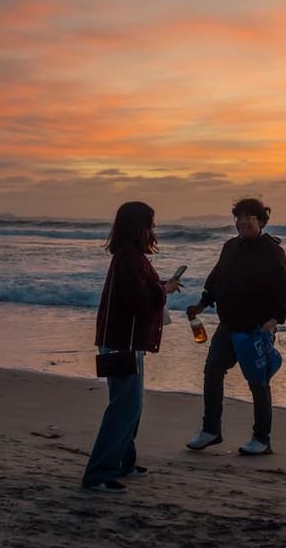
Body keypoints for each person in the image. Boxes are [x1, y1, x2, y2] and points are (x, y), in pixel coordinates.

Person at [82, 201, 182, 492]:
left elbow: (136, 293)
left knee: (128, 406)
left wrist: (161, 286)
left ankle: (124, 462)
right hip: (123, 341)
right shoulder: (129, 258)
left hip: (121, 339)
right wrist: (164, 290)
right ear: (138, 227)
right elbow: (139, 300)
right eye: (150, 225)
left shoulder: (129, 257)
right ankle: (98, 473)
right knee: (126, 408)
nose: (153, 231)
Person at [185, 197, 286, 456]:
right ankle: (211, 430)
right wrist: (202, 303)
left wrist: (274, 320)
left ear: (261, 221)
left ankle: (262, 438)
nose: (242, 222)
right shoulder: (230, 247)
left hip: (256, 329)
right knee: (212, 372)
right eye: (239, 217)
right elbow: (216, 279)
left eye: (249, 217)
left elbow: (283, 290)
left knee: (258, 382)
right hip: (228, 325)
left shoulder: (272, 251)